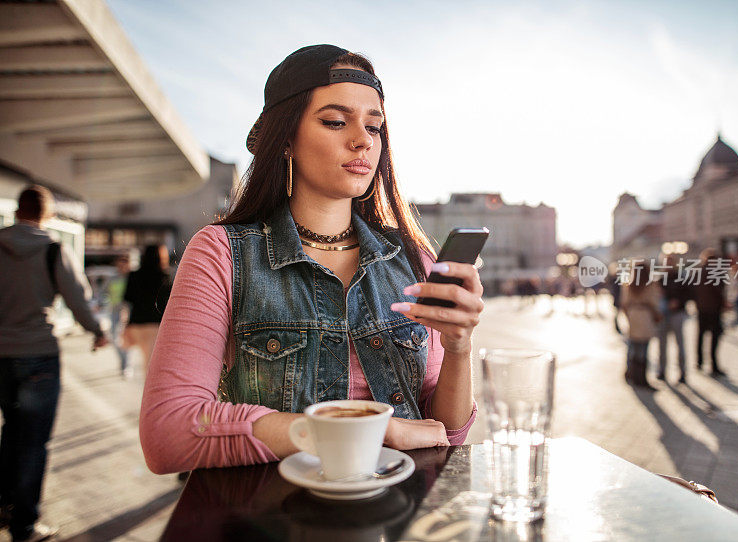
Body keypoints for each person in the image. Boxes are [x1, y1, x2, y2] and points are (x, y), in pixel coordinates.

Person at [139, 45, 482, 474]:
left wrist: (458, 346)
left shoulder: (414, 257)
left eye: (374, 127)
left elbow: (445, 435)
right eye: (336, 121)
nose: (362, 140)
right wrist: (360, 433)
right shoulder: (222, 253)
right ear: (285, 140)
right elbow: (168, 433)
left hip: (402, 514)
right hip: (274, 516)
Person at [0, 185, 108, 542]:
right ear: (46, 215)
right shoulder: (53, 250)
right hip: (38, 356)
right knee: (32, 442)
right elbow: (78, 300)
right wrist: (97, 330)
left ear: (17, 211)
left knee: (9, 433)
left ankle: (2, 506)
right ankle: (24, 526)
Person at [122, 244, 170, 377]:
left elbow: (127, 299)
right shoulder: (165, 277)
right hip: (156, 326)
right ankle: (151, 394)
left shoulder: (134, 275)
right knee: (151, 365)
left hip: (136, 325)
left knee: (147, 362)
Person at [621, 259, 661, 390]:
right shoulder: (651, 285)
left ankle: (631, 374)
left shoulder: (628, 285)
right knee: (643, 349)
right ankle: (641, 378)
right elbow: (655, 301)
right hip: (645, 316)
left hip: (633, 316)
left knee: (633, 347)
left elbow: (624, 304)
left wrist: (629, 316)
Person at [657, 255, 690, 384]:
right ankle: (662, 370)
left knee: (680, 344)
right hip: (663, 315)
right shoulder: (659, 278)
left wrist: (678, 302)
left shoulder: (681, 277)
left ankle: (682, 372)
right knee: (662, 345)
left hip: (677, 313)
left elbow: (688, 293)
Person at [693, 248, 726, 377]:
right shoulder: (716, 272)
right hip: (714, 309)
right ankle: (713, 365)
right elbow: (719, 290)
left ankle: (699, 361)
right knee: (714, 337)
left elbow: (693, 290)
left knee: (701, 335)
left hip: (702, 308)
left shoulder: (698, 271)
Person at [108, 255, 132, 378]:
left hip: (127, 312)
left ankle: (125, 365)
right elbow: (105, 292)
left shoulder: (132, 278)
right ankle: (123, 362)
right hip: (113, 311)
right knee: (113, 337)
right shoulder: (113, 278)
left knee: (124, 339)